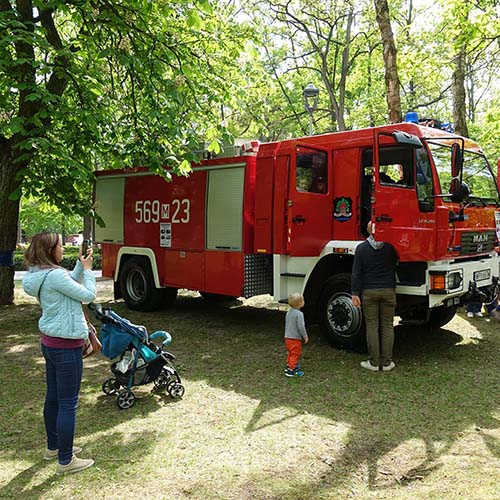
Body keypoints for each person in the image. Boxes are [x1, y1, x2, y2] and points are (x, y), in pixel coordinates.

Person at [22, 232, 96, 474]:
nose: (63, 249)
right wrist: (89, 272)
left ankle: (54, 447)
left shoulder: (40, 275)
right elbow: (88, 295)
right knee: (67, 403)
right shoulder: (54, 275)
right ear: (50, 250)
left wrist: (80, 265)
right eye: (60, 246)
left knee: (53, 397)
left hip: (51, 343)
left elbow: (68, 284)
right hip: (66, 347)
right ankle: (66, 460)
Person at [352, 221, 398, 372]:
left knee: (372, 326)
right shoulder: (391, 247)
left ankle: (373, 362)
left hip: (369, 291)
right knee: (387, 325)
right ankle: (386, 363)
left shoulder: (361, 249)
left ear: (368, 231)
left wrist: (355, 293)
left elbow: (356, 273)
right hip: (388, 291)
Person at [284, 293, 309, 377]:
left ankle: (289, 365)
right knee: (295, 353)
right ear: (299, 303)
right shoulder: (299, 314)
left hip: (287, 337)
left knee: (290, 352)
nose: (304, 302)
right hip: (295, 338)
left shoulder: (289, 312)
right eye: (303, 300)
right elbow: (301, 327)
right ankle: (292, 370)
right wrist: (305, 336)